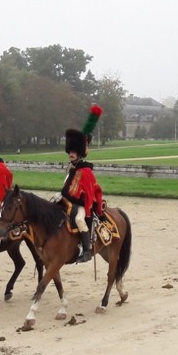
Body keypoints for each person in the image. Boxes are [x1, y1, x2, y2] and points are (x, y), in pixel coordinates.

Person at [60, 104, 105, 264]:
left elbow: (86, 195)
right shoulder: (71, 168)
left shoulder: (85, 171)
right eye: (70, 152)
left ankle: (86, 250)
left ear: (78, 153)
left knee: (79, 220)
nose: (70, 154)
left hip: (79, 205)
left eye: (73, 152)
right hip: (66, 202)